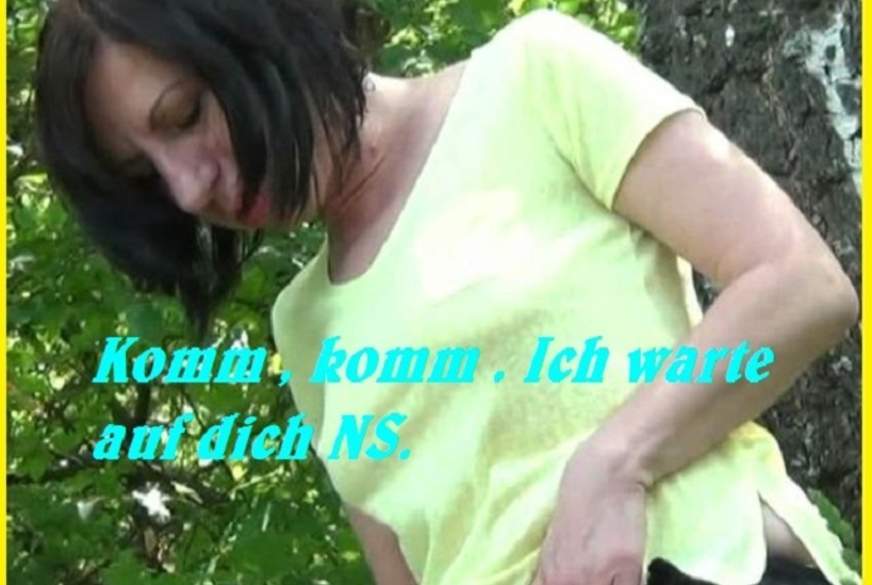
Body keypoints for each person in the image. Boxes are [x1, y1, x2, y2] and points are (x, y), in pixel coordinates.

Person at [35, 1, 860, 585]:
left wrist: (614, 464)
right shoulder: (304, 327)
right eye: (148, 175)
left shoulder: (532, 75)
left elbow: (800, 283)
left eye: (184, 115)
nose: (187, 188)